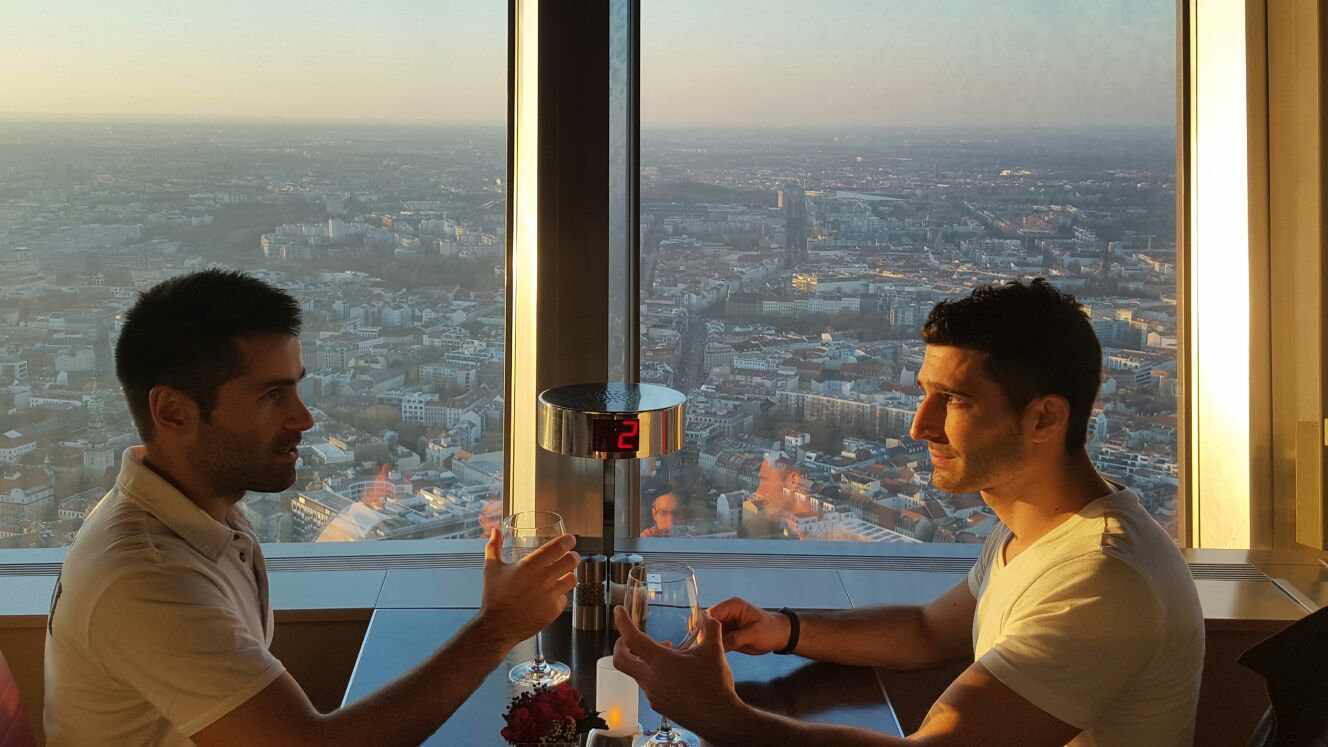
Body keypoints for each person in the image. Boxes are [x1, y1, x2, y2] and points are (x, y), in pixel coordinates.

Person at [614, 279, 1204, 746]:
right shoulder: (1041, 528)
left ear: (1045, 418)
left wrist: (718, 716)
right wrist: (784, 629)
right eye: (924, 393)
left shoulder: (1102, 581)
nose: (920, 425)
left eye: (955, 401)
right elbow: (927, 632)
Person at [44, 270, 579, 746]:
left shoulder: (197, 512)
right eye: (273, 396)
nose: (304, 418)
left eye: (295, 390)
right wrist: (499, 627)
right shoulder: (147, 575)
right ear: (174, 412)